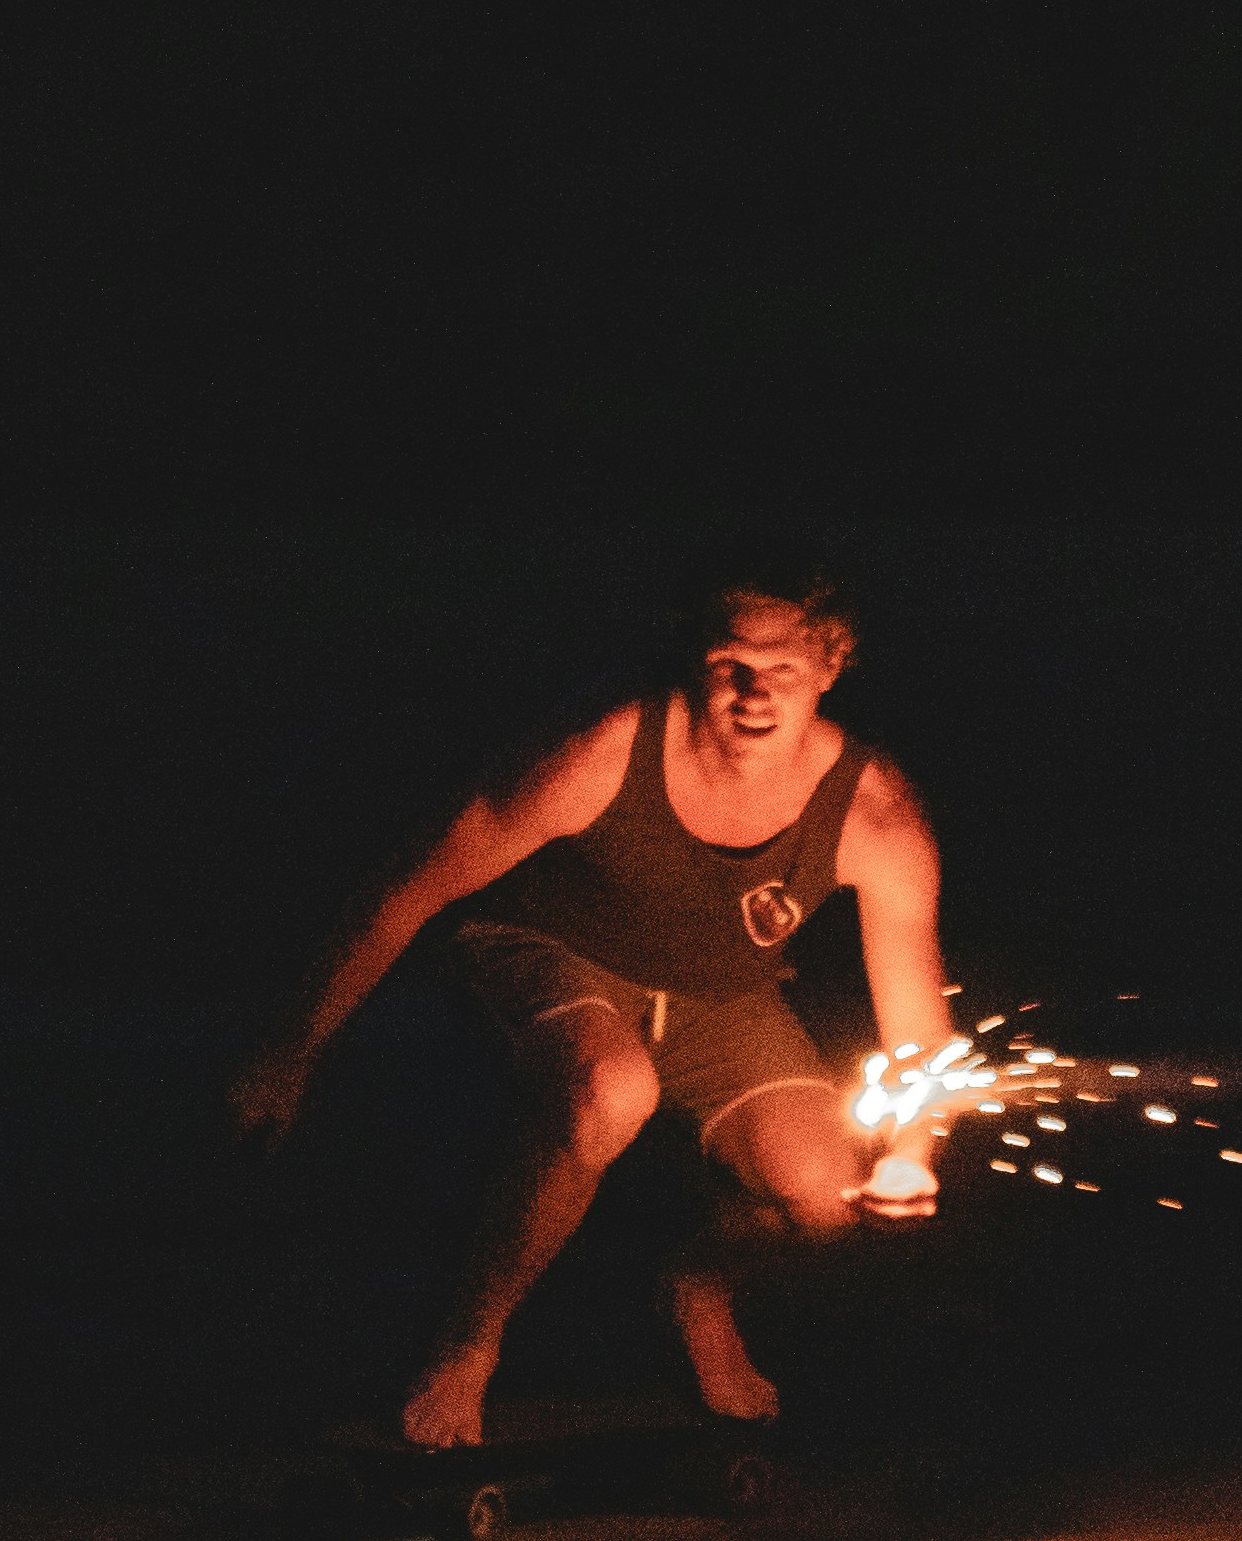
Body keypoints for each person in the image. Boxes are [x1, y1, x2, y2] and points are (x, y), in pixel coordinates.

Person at [223, 553, 950, 1447]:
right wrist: (292, 1047)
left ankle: (698, 1283)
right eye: (731, 664)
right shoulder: (604, 749)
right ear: (693, 659)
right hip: (551, 953)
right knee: (613, 1089)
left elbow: (917, 1013)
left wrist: (914, 1150)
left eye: (785, 672)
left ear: (832, 668)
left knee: (832, 1197)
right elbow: (410, 884)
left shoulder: (874, 810)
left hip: (722, 999)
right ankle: (466, 1348)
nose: (754, 694)